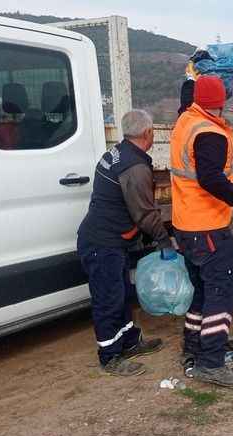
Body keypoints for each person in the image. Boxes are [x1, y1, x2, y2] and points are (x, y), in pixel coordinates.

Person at [170, 75, 233, 387]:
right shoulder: (210, 132)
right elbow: (210, 178)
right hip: (207, 224)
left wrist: (193, 72)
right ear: (222, 102)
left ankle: (194, 348)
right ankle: (210, 363)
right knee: (222, 293)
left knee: (202, 291)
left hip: (186, 223)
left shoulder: (187, 119)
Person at [77, 109, 171, 376]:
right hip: (102, 243)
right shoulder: (135, 167)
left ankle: (129, 342)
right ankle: (109, 356)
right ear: (147, 133)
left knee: (123, 294)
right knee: (108, 298)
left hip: (110, 240)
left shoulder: (117, 153)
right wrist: (164, 241)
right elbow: (144, 213)